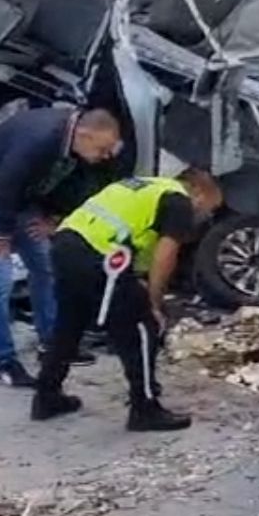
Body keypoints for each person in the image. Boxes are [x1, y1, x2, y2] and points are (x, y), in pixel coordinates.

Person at [31, 169, 225, 433]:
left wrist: (139, 284)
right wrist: (154, 304)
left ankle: (46, 396)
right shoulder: (178, 200)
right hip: (98, 256)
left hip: (66, 245)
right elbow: (165, 257)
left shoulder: (145, 185)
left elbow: (134, 241)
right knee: (143, 327)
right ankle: (145, 409)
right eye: (210, 209)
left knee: (69, 324)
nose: (205, 217)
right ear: (199, 194)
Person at [0, 106, 123, 387]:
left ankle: (52, 342)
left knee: (45, 264)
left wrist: (53, 218)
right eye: (102, 149)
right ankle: (3, 361)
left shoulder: (75, 142)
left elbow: (78, 186)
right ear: (84, 134)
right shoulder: (39, 139)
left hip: (21, 197)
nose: (104, 156)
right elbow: (5, 185)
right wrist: (2, 233)